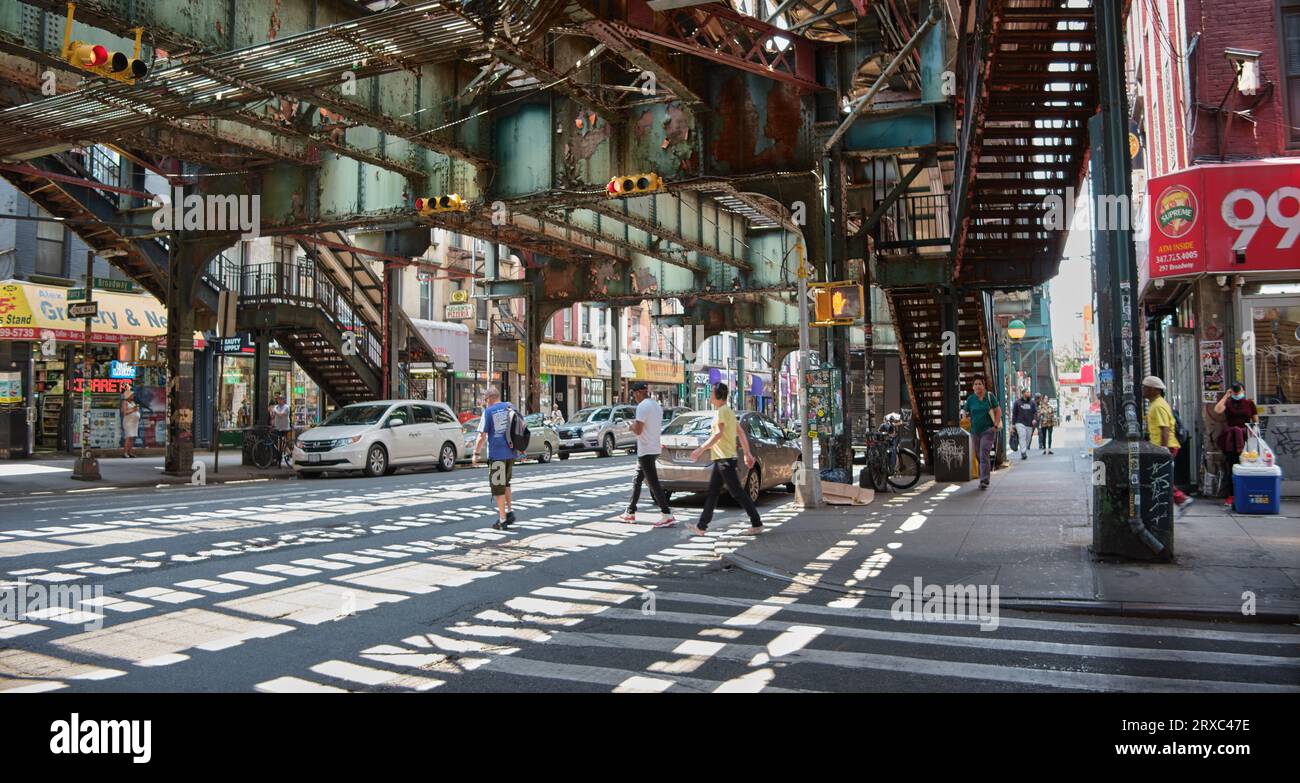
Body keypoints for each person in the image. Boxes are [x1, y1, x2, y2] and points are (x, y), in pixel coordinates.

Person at [685, 382, 762, 537]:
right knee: (713, 493)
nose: (710, 395)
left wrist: (701, 449)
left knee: (737, 493)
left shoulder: (722, 412)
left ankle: (757, 523)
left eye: (712, 392)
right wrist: (747, 454)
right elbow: (740, 432)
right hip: (722, 459)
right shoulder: (729, 412)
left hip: (724, 459)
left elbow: (718, 434)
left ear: (718, 395)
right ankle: (701, 527)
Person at [620, 382, 676, 527]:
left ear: (639, 392)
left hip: (646, 450)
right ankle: (630, 512)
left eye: (633, 394)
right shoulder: (656, 405)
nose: (634, 397)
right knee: (637, 479)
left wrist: (631, 426)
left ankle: (667, 514)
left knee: (653, 483)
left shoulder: (642, 407)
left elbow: (638, 430)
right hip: (653, 448)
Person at [472, 387, 522, 530]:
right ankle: (509, 511)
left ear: (489, 399)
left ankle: (502, 520)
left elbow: (482, 436)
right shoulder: (510, 407)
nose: (485, 403)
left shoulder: (488, 412)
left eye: (485, 400)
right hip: (512, 453)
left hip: (497, 455)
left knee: (498, 488)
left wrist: (476, 453)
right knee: (506, 483)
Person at [1142, 376, 1193, 513]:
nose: (1143, 390)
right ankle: (1178, 501)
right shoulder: (1156, 404)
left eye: (1145, 387)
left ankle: (1181, 499)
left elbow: (1164, 428)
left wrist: (1162, 450)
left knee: (1160, 477)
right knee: (1160, 476)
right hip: (1162, 447)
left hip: (1166, 447)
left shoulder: (1158, 405)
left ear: (1153, 389)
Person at [1214, 382, 1258, 508]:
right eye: (1234, 391)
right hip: (1231, 440)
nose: (1237, 393)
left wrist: (1254, 436)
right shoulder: (1228, 403)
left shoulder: (1249, 403)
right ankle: (1231, 495)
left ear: (1243, 390)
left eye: (1238, 390)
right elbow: (1217, 410)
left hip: (1245, 439)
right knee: (1232, 467)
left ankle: (1245, 492)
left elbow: (1256, 421)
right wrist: (1226, 396)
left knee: (1246, 466)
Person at [963, 376, 1002, 490]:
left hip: (988, 430)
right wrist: (965, 416)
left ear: (983, 386)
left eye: (980, 384)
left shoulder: (989, 397)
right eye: (975, 384)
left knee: (984, 453)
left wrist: (995, 425)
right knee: (978, 455)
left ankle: (984, 480)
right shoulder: (971, 399)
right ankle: (983, 474)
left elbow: (998, 410)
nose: (977, 386)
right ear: (973, 387)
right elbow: (966, 412)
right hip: (975, 431)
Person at [1011, 389, 1037, 461]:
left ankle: (1024, 448)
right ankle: (1023, 452)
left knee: (1028, 438)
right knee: (1022, 436)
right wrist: (1013, 424)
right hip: (1019, 423)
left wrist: (1034, 419)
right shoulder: (1017, 402)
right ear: (1023, 393)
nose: (1029, 393)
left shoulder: (1032, 403)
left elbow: (1035, 412)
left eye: (1029, 392)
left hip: (1029, 424)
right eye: (1027, 392)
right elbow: (1014, 413)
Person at [120, 389, 141, 458]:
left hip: (134, 423)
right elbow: (125, 412)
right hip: (128, 422)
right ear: (128, 396)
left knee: (133, 437)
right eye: (131, 395)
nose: (133, 396)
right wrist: (134, 410)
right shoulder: (125, 402)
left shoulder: (133, 402)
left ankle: (130, 452)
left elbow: (135, 410)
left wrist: (136, 410)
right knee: (129, 437)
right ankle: (125, 453)